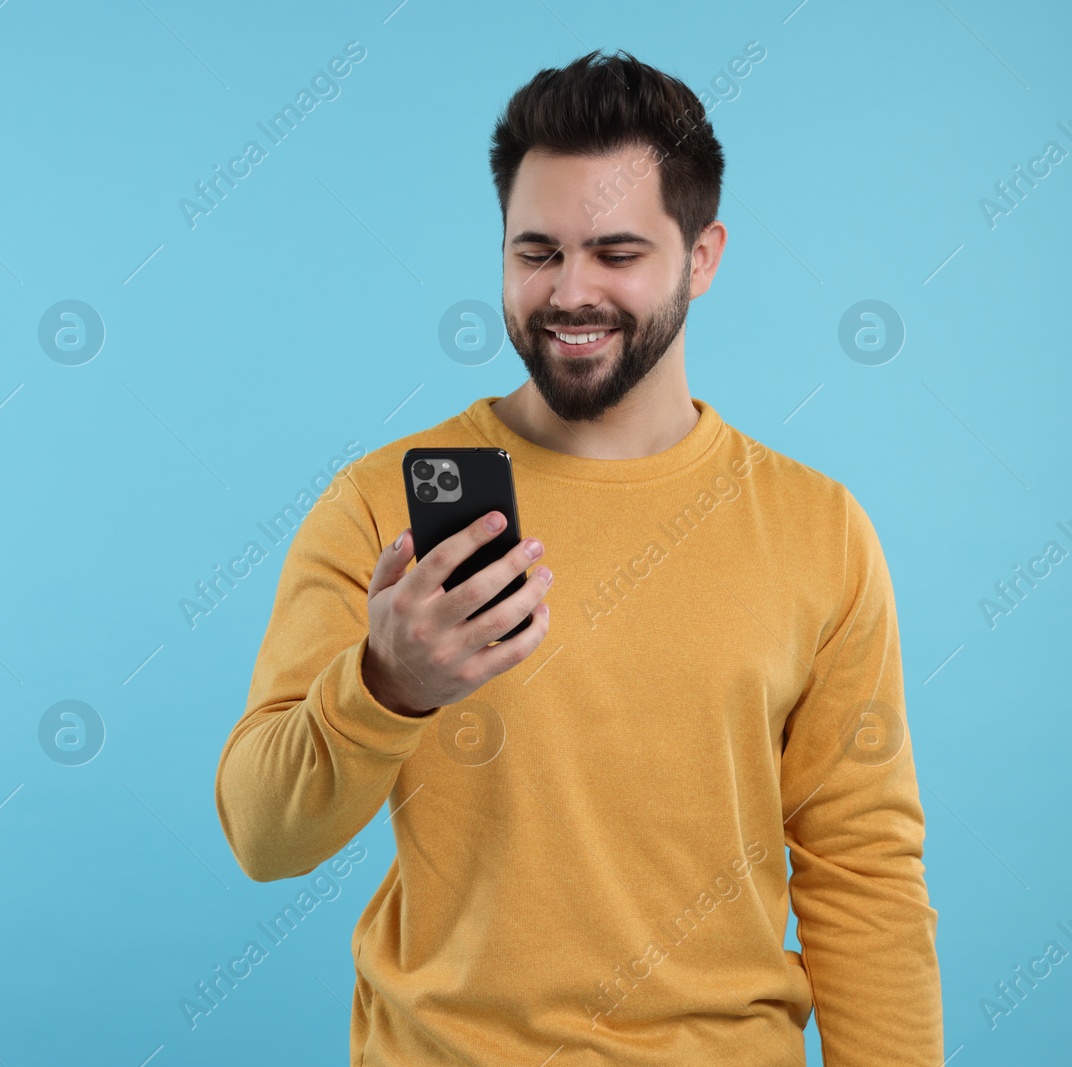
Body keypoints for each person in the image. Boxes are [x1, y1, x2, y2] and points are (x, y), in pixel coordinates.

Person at [213, 49, 941, 1066]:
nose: (570, 291)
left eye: (616, 251)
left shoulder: (818, 529)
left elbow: (860, 872)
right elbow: (261, 833)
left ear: (702, 255)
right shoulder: (381, 507)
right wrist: (388, 685)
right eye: (537, 251)